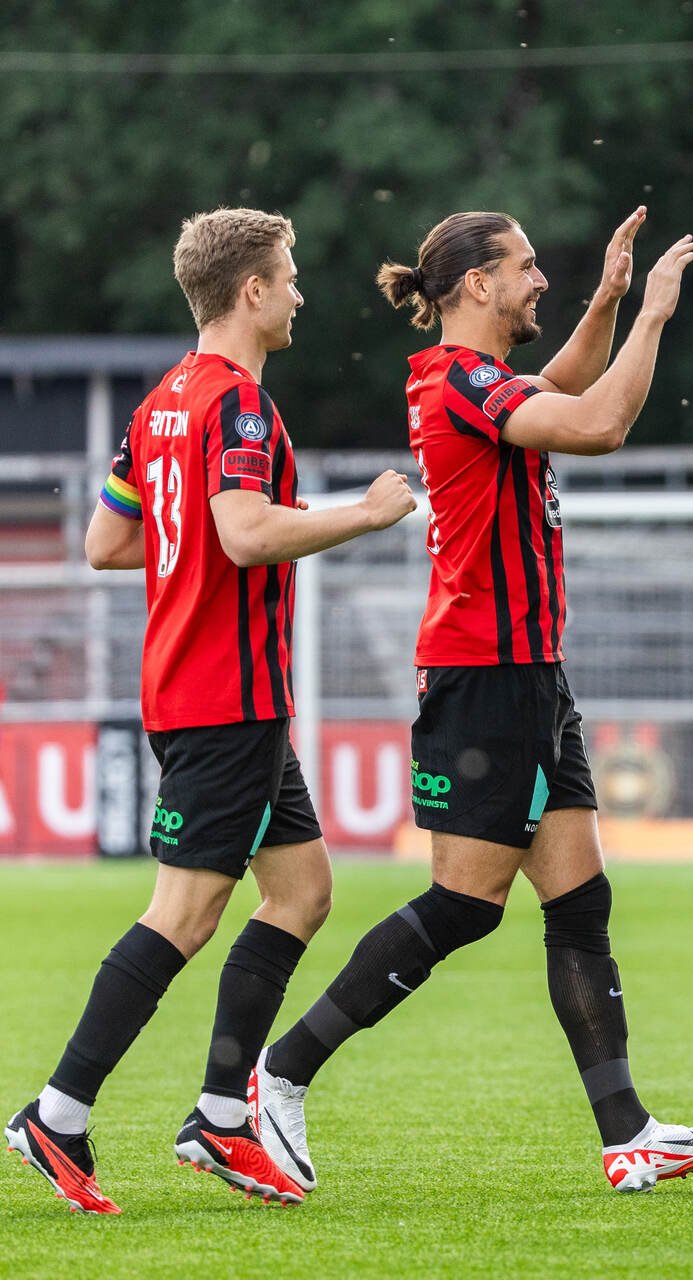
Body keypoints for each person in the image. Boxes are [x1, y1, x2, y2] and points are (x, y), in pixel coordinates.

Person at [253, 207, 693, 1196]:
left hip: (528, 675)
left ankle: (628, 1131)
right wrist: (649, 318)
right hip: (485, 676)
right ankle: (279, 1075)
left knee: (580, 899)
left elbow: (561, 389)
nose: (538, 283)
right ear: (476, 284)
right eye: (524, 268)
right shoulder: (458, 378)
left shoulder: (481, 383)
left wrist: (607, 297)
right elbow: (599, 421)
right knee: (463, 906)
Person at [4, 208, 415, 1214]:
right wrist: (364, 512)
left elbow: (106, 543)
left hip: (225, 698)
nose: (301, 295)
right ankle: (57, 1111)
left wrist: (191, 555)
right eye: (291, 278)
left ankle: (221, 1118)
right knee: (184, 913)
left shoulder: (158, 408)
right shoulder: (235, 408)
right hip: (219, 698)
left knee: (303, 891)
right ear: (250, 293)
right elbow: (241, 533)